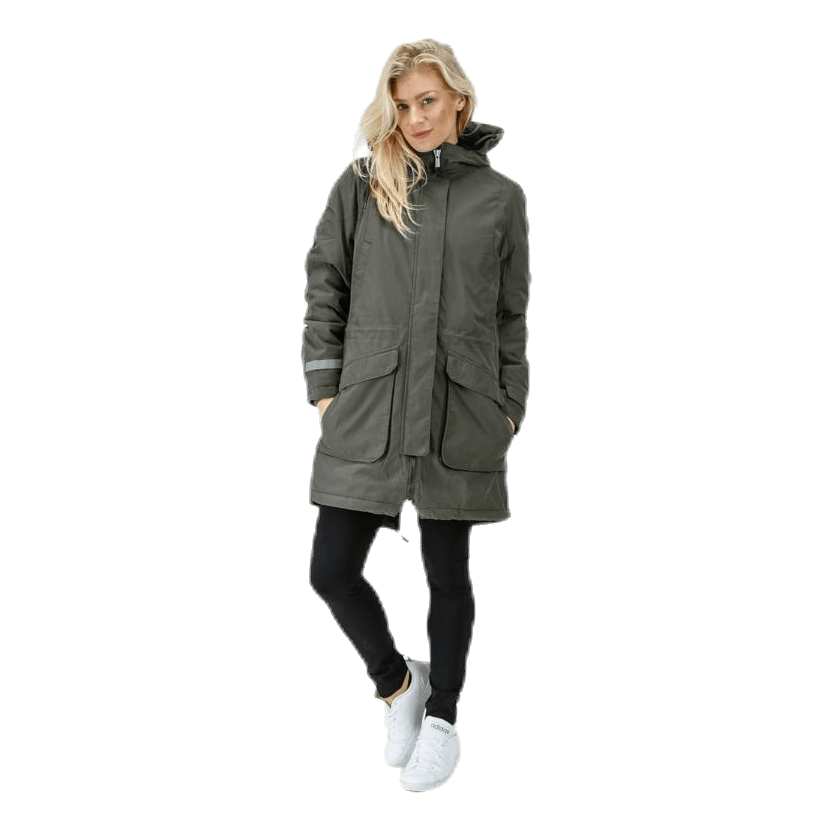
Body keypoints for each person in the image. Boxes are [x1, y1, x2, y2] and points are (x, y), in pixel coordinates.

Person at [303, 38, 530, 792]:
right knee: (331, 570)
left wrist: (508, 407)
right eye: (401, 105)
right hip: (369, 403)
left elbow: (511, 315)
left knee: (446, 574)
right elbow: (325, 283)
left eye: (427, 101)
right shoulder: (363, 179)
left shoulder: (501, 199)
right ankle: (398, 686)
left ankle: (443, 719)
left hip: (460, 408)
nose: (415, 117)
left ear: (458, 100)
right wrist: (326, 390)